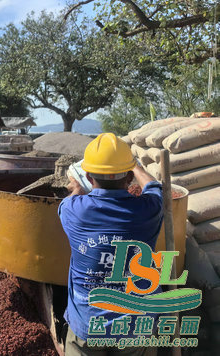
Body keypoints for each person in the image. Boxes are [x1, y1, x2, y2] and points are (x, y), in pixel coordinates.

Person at [58, 133, 163, 355]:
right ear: (129, 179)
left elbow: (72, 196)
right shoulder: (149, 210)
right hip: (135, 327)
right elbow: (153, 186)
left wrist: (77, 185)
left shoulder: (72, 210)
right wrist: (135, 166)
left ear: (88, 176)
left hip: (88, 325)